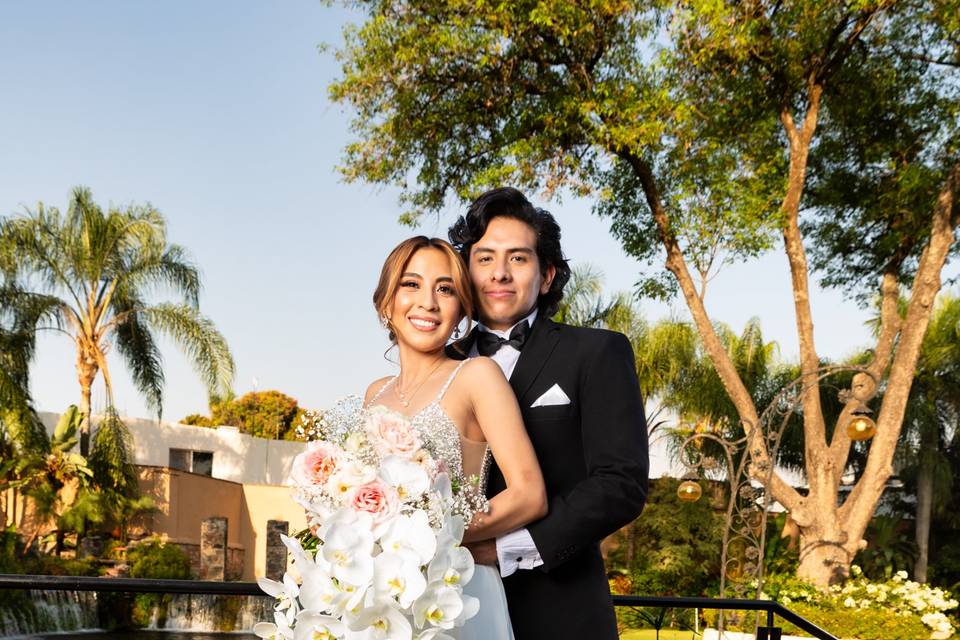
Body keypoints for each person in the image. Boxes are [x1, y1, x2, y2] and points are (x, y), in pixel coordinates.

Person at [447, 187, 650, 640]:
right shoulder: (441, 366)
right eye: (484, 258)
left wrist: (505, 548)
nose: (500, 273)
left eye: (518, 258)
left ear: (546, 275)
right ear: (465, 272)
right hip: (448, 609)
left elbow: (621, 483)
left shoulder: (598, 352)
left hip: (561, 613)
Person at [363, 235, 547, 639]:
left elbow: (530, 493)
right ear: (385, 301)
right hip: (384, 595)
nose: (428, 302)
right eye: (411, 284)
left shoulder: (477, 376)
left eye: (445, 289)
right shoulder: (375, 392)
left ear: (462, 307)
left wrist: (428, 536)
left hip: (456, 589)